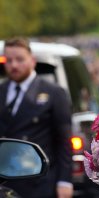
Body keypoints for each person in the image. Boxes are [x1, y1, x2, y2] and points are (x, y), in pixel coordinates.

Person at [0, 38, 73, 198]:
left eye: (20, 59)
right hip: (5, 182)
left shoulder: (54, 93)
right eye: (9, 60)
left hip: (39, 180)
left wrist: (65, 181)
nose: (14, 65)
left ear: (32, 61)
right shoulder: (1, 91)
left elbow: (64, 141)